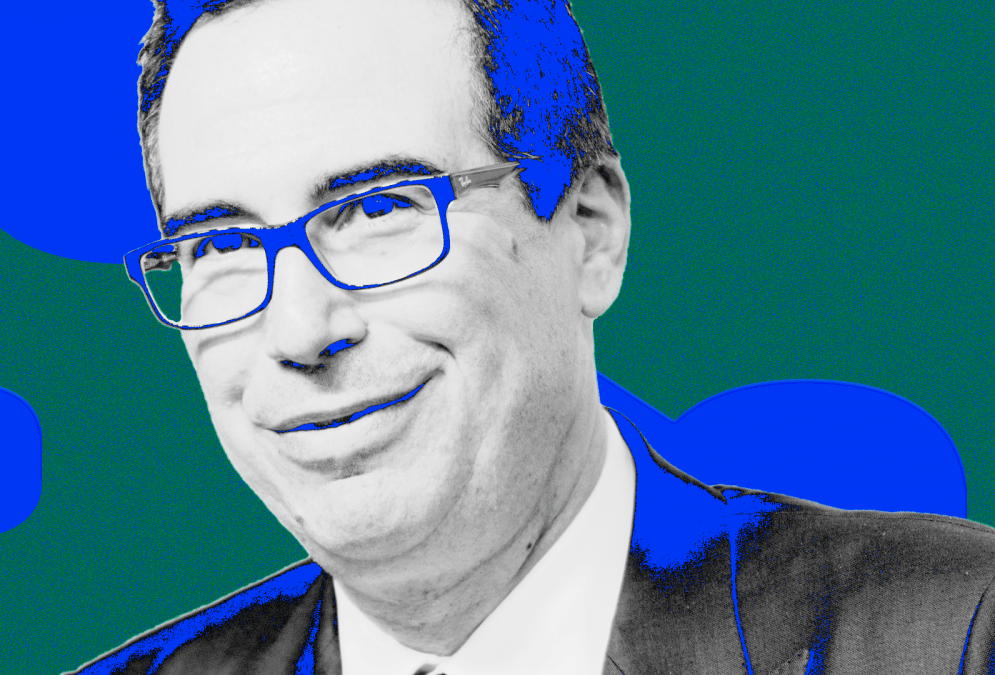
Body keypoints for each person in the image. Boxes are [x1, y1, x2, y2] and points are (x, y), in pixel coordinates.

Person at [66, 0, 995, 672]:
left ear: (590, 229)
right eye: (222, 244)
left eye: (379, 207)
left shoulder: (956, 635)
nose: (301, 329)